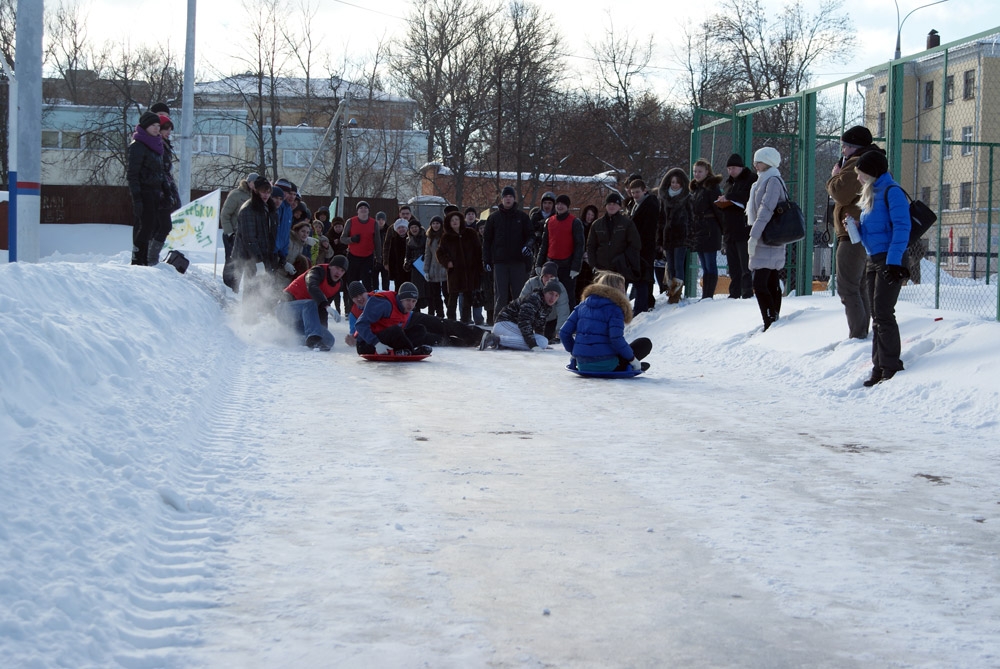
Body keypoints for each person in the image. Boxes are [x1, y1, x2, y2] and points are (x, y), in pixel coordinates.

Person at [855, 150, 911, 386]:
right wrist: (856, 227)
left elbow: (902, 227)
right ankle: (878, 366)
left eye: (861, 173)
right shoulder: (872, 193)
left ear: (872, 173)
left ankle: (890, 365)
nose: (858, 178)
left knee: (884, 312)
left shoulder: (892, 191)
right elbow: (877, 229)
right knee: (876, 314)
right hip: (873, 259)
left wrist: (893, 260)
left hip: (889, 260)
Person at [826, 125, 880, 339]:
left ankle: (858, 335)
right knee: (859, 285)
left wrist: (834, 177)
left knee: (848, 287)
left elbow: (840, 193)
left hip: (853, 232)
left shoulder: (857, 163)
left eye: (845, 146)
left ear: (854, 147)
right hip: (858, 230)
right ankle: (862, 332)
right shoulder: (870, 160)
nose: (843, 151)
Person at [560, 271, 652, 372]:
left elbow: (564, 333)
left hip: (582, 365)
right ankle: (623, 366)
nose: (624, 292)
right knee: (644, 343)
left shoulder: (582, 306)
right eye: (622, 288)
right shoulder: (615, 308)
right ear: (615, 289)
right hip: (607, 365)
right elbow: (616, 339)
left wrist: (575, 353)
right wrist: (633, 359)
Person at [746, 147, 789, 331]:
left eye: (759, 160)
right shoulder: (762, 180)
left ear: (769, 161)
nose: (755, 164)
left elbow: (765, 210)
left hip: (768, 238)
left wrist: (754, 236)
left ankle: (770, 319)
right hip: (767, 238)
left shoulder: (772, 180)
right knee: (770, 279)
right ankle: (772, 318)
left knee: (760, 282)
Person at [276, 255, 348, 351]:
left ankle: (294, 338)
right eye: (337, 268)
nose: (339, 272)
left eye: (342, 271)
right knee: (310, 304)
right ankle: (312, 340)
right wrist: (326, 305)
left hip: (302, 321)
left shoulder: (338, 285)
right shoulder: (317, 271)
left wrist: (323, 329)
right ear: (330, 266)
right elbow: (312, 286)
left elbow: (322, 310)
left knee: (329, 340)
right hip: (285, 309)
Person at [483, 185, 535, 318]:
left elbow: (531, 235)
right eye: (505, 196)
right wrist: (486, 260)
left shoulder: (522, 217)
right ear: (501, 199)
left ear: (514, 199)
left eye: (510, 196)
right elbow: (487, 241)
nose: (508, 199)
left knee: (519, 295)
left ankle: (520, 323)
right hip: (500, 263)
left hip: (518, 262)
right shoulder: (494, 218)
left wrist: (528, 246)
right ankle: (498, 324)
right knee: (501, 296)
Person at [126, 111, 167, 266]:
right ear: (145, 126)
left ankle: (144, 258)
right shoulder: (138, 145)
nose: (157, 129)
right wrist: (136, 197)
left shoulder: (156, 144)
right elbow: (132, 174)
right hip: (144, 192)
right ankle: (138, 258)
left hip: (155, 192)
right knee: (145, 225)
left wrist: (166, 191)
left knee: (154, 225)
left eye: (158, 125)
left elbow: (160, 171)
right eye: (153, 125)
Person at [353, 281, 433, 356]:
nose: (411, 305)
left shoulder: (404, 309)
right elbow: (360, 324)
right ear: (401, 299)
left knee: (420, 330)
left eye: (414, 301)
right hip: (366, 344)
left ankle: (402, 351)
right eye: (408, 300)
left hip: (386, 339)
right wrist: (376, 343)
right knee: (396, 330)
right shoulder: (384, 304)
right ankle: (412, 351)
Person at [479, 280, 562, 351]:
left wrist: (542, 344)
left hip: (513, 328)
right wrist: (534, 345)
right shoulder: (534, 299)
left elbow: (539, 327)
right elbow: (524, 322)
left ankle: (504, 343)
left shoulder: (546, 306)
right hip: (504, 324)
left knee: (543, 341)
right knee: (540, 342)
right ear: (544, 292)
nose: (553, 298)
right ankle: (494, 339)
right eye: (551, 293)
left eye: (556, 295)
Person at [535, 194, 585, 308]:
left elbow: (579, 245)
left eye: (562, 204)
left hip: (567, 266)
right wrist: (538, 263)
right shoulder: (549, 221)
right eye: (558, 204)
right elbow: (544, 244)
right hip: (551, 265)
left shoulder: (575, 222)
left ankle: (569, 323)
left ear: (567, 206)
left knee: (567, 296)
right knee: (549, 296)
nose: (560, 206)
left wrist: (576, 267)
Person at [717, 153, 756, 299]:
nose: (731, 171)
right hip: (730, 229)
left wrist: (730, 198)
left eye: (733, 168)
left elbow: (749, 197)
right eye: (729, 169)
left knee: (745, 264)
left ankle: (747, 291)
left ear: (740, 167)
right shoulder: (729, 183)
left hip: (743, 228)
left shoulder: (751, 179)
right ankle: (734, 292)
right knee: (733, 265)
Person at [586, 192, 641, 293]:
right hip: (601, 270)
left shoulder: (627, 223)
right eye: (609, 204)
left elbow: (635, 245)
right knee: (601, 297)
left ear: (619, 206)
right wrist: (593, 265)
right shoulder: (597, 224)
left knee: (618, 299)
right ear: (605, 206)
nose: (612, 206)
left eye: (615, 204)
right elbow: (591, 246)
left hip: (620, 270)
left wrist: (624, 261)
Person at [437, 210, 483, 323]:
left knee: (468, 298)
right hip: (455, 272)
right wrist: (447, 262)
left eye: (457, 219)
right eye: (452, 220)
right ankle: (451, 321)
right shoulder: (446, 237)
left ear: (461, 221)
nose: (454, 222)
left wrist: (479, 267)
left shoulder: (471, 233)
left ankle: (465, 321)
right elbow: (439, 253)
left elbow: (478, 250)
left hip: (470, 271)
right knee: (452, 298)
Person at [689, 159, 725, 300]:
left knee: (710, 264)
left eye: (700, 171)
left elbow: (718, 210)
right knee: (704, 265)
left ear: (707, 172)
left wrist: (723, 230)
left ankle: (709, 295)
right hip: (699, 230)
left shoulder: (711, 188)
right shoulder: (696, 189)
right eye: (695, 171)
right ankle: (705, 295)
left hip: (710, 229)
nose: (696, 174)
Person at [656, 168, 691, 304]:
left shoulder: (687, 198)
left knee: (678, 265)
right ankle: (671, 290)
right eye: (672, 182)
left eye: (677, 182)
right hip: (667, 237)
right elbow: (661, 220)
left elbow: (692, 218)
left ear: (682, 183)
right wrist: (659, 240)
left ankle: (677, 294)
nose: (674, 185)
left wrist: (689, 236)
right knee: (669, 266)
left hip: (681, 237)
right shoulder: (665, 198)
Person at [220, 173, 257, 291]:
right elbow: (225, 215)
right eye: (254, 182)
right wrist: (230, 232)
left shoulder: (257, 197)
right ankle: (228, 287)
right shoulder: (236, 195)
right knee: (232, 261)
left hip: (246, 236)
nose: (255, 185)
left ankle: (236, 287)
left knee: (242, 263)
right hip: (232, 234)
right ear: (248, 182)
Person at [627, 180, 659, 313]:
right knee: (641, 276)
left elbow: (648, 229)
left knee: (644, 276)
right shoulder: (635, 205)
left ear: (644, 190)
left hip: (645, 246)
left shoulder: (649, 205)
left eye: (637, 192)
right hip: (638, 246)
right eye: (633, 192)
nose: (635, 195)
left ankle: (645, 304)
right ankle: (644, 303)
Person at [519, 261, 570, 342]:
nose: (548, 279)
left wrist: (560, 332)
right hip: (532, 318)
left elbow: (563, 310)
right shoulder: (531, 283)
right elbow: (522, 303)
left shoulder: (560, 288)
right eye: (545, 276)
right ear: (541, 276)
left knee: (546, 341)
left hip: (551, 320)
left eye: (551, 276)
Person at [341, 201, 382, 293]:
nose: (363, 210)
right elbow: (342, 239)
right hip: (353, 256)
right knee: (352, 282)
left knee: (367, 283)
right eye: (361, 208)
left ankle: (367, 304)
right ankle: (351, 305)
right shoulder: (350, 221)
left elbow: (377, 241)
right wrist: (352, 239)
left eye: (365, 208)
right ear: (357, 211)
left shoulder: (374, 223)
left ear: (368, 211)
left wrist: (378, 258)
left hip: (367, 257)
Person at [422, 216, 448, 318]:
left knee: (447, 294)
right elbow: (427, 254)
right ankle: (440, 314)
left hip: (445, 268)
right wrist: (426, 270)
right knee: (435, 295)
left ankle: (450, 314)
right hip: (433, 269)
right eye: (433, 223)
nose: (435, 225)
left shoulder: (445, 236)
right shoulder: (429, 237)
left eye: (437, 223)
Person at [404, 217, 429, 312]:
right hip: (415, 268)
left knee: (428, 292)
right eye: (412, 227)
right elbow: (407, 254)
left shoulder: (426, 238)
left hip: (425, 267)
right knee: (416, 291)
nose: (414, 229)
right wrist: (407, 262)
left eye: (416, 227)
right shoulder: (408, 240)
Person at [575, 204, 599, 302]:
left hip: (589, 260)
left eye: (592, 215)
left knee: (588, 284)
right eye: (588, 214)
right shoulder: (579, 225)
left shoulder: (595, 227)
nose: (589, 217)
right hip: (578, 259)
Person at [383, 218, 410, 290]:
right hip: (398, 270)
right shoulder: (394, 240)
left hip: (410, 270)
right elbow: (391, 257)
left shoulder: (410, 240)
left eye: (403, 227)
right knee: (399, 289)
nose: (401, 229)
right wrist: (392, 273)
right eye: (399, 228)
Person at [374, 211, 391, 290]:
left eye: (382, 219)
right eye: (379, 219)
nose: (381, 221)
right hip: (375, 259)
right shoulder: (372, 230)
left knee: (386, 282)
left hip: (385, 259)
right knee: (373, 282)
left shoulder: (389, 230)